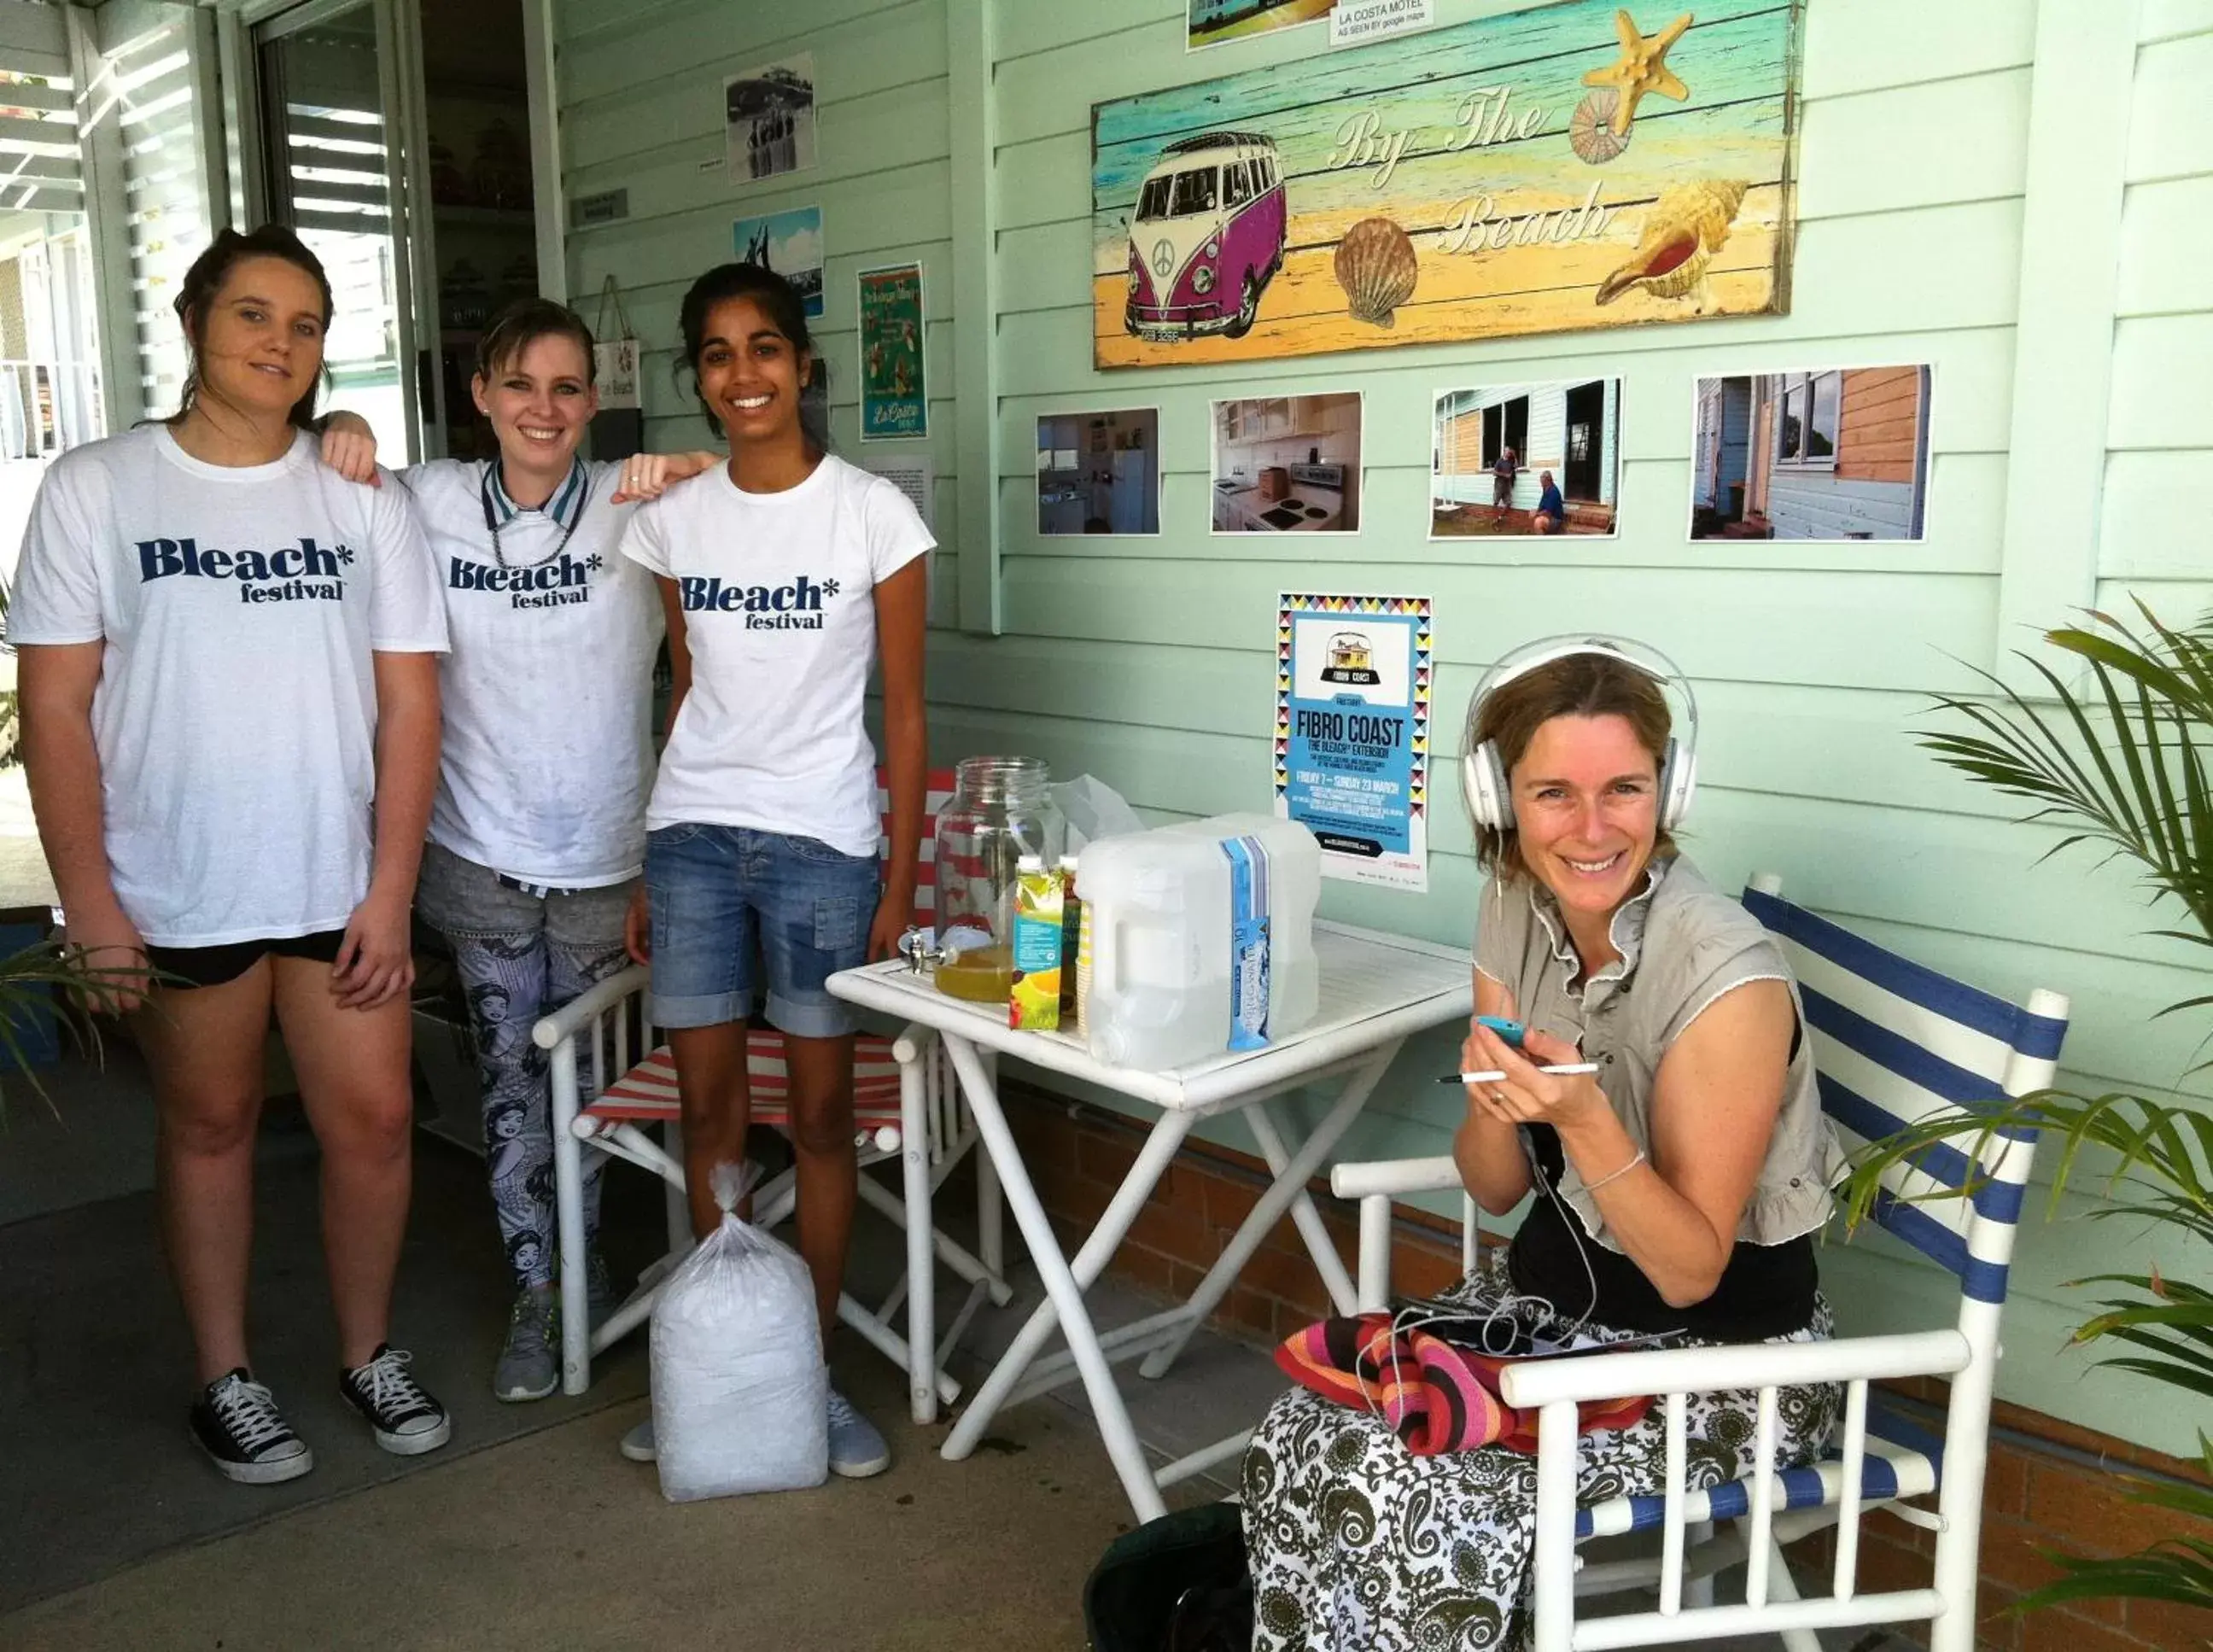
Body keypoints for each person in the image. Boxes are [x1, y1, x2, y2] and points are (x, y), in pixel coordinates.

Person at [1241, 636, 1844, 1650]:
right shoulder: (1514, 906)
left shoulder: (1729, 979)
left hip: (1722, 1370)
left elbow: (1694, 1273)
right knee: (1308, 1430)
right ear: (1498, 800)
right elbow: (1496, 1189)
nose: (1595, 827)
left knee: (1412, 1487)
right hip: (1551, 1316)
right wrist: (1496, 1099)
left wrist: (1584, 1119)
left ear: (1670, 788)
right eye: (1555, 793)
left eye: (1626, 790)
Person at [12, 225, 452, 1485]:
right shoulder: (99, 486)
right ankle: (227, 1375)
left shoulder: (361, 495)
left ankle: (368, 1350)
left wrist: (392, 886)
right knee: (208, 1126)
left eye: (307, 325)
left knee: (370, 1123)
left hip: (335, 879)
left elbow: (410, 705)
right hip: (180, 879)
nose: (281, 343)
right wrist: (88, 898)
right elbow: (55, 706)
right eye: (255, 313)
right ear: (197, 318)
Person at [318, 298, 717, 1403]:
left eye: (568, 386)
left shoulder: (635, 501)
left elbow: (756, 500)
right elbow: (319, 481)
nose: (546, 407)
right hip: (480, 857)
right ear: (484, 395)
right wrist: (339, 421)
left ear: (593, 400)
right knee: (511, 1079)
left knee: (582, 1085)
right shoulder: (428, 499)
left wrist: (692, 464)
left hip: (606, 859)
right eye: (522, 384)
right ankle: (541, 1296)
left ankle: (586, 1273)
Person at [616, 261, 931, 1476]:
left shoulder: (872, 512)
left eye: (763, 347)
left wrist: (896, 884)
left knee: (814, 1117)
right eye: (716, 353)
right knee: (707, 1113)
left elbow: (903, 714)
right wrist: (652, 850)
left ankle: (803, 1375)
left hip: (823, 847)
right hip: (694, 837)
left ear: (804, 364)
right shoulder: (673, 522)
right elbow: (685, 687)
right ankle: (723, 1369)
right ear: (698, 377)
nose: (741, 372)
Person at [1491, 442, 1518, 526]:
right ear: (1504, 452)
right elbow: (1494, 472)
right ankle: (1494, 518)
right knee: (1496, 502)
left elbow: (1516, 466)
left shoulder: (1510, 461)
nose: (1508, 453)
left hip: (1507, 484)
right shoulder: (1500, 461)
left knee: (1508, 503)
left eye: (1509, 452)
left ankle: (1499, 517)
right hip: (1499, 484)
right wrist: (1505, 475)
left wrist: (1515, 456)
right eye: (1507, 452)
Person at [1533, 469, 1566, 534]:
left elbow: (1548, 512)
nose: (1541, 482)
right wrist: (1535, 511)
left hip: (1556, 519)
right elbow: (1541, 505)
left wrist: (1536, 514)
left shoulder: (1553, 491)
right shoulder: (1546, 489)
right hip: (1549, 517)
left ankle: (1543, 543)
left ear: (1548, 480)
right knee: (1536, 518)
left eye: (1542, 480)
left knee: (1538, 522)